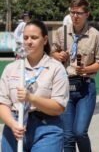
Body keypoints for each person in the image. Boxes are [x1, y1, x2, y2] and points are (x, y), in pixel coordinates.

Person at [0, 20, 69, 152]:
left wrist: (31, 98)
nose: (29, 41)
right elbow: (2, 103)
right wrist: (13, 125)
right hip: (15, 126)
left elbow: (58, 107)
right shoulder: (11, 68)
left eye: (34, 37)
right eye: (25, 38)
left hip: (46, 128)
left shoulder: (56, 68)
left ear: (44, 40)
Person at [51, 0, 99, 152]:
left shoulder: (96, 35)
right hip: (65, 86)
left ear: (87, 14)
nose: (75, 16)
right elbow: (51, 51)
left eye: (79, 13)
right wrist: (58, 56)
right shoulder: (62, 32)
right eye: (72, 12)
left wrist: (86, 70)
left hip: (85, 87)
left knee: (80, 132)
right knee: (67, 136)